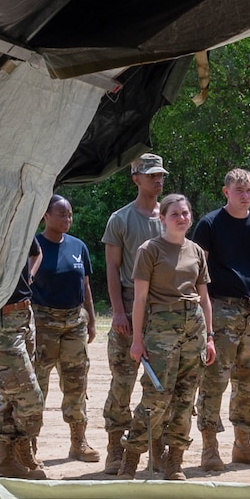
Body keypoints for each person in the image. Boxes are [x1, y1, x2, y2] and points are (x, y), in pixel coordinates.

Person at [192, 168, 250, 474]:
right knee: (214, 381)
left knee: (249, 383)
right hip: (219, 308)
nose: (245, 196)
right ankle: (209, 448)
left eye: (249, 191)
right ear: (226, 192)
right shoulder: (209, 224)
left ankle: (243, 445)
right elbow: (196, 271)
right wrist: (205, 319)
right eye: (239, 191)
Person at [127, 193, 215, 481]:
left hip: (195, 327)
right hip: (162, 326)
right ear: (162, 218)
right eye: (175, 213)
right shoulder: (149, 250)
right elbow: (139, 299)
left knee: (186, 398)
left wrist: (210, 337)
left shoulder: (197, 252)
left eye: (185, 213)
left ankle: (174, 462)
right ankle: (131, 457)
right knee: (156, 396)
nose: (182, 218)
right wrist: (137, 340)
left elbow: (204, 298)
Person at [101, 153, 167, 476]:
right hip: (129, 302)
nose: (158, 180)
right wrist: (117, 312)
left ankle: (157, 447)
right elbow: (112, 268)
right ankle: (116, 447)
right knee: (123, 380)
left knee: (159, 382)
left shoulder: (171, 217)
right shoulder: (121, 219)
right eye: (151, 175)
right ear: (136, 179)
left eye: (161, 176)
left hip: (162, 306)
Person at [28, 194, 97, 465]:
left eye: (69, 215)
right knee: (36, 386)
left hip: (74, 323)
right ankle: (29, 444)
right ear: (46, 216)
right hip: (43, 323)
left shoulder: (78, 246)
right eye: (61, 214)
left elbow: (86, 286)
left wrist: (91, 318)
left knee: (76, 383)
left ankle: (78, 442)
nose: (67, 219)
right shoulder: (35, 246)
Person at [0, 238, 45, 478]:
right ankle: (22, 444)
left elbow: (37, 252)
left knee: (5, 395)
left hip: (24, 315)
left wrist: (30, 275)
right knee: (30, 398)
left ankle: (6, 460)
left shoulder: (21, 215)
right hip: (1, 320)